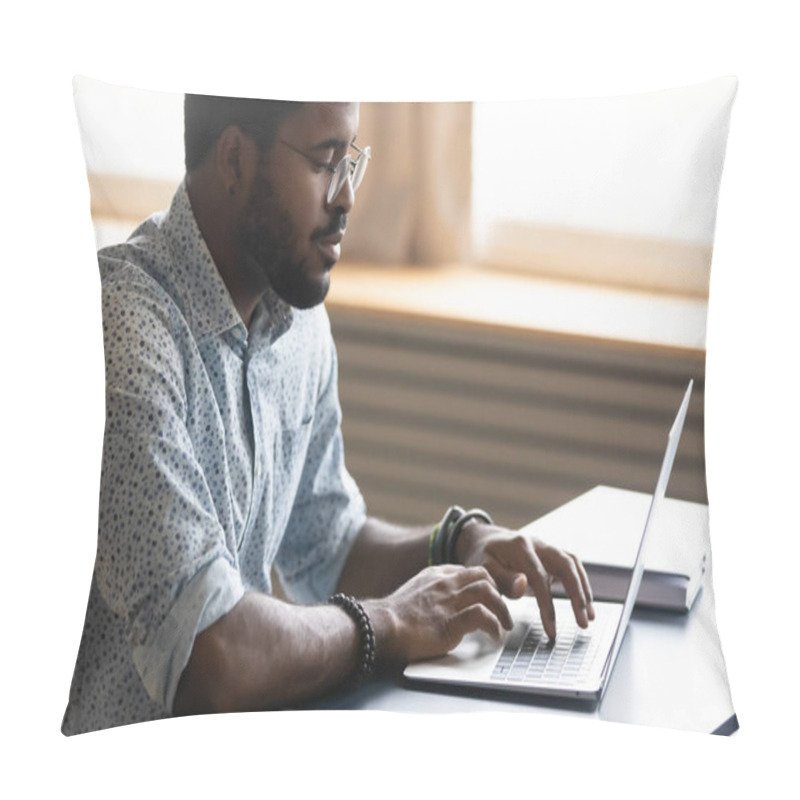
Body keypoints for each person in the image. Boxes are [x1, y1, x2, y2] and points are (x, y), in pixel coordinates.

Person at [62, 97, 594, 735]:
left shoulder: (298, 319)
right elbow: (212, 657)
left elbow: (329, 545)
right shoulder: (121, 333)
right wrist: (390, 623)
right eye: (325, 161)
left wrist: (456, 545)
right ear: (234, 157)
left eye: (353, 161)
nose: (345, 198)